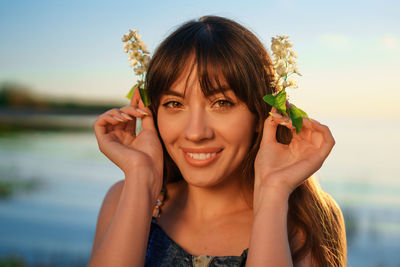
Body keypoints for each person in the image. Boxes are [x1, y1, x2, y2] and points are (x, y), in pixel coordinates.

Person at [88, 16, 347, 267]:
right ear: (152, 113)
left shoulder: (309, 219)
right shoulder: (123, 198)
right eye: (174, 103)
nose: (196, 133)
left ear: (261, 115)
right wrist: (141, 178)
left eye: (222, 103)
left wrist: (273, 192)